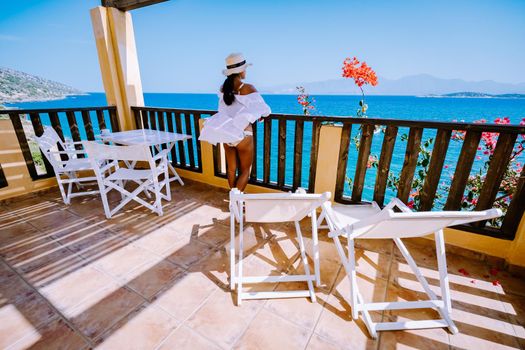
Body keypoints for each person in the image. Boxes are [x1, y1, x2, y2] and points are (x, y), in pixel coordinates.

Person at [199, 53, 271, 191]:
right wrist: (260, 115)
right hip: (243, 133)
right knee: (245, 171)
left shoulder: (223, 88)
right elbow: (264, 109)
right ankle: (236, 202)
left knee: (231, 170)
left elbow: (225, 108)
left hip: (226, 132)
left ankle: (233, 202)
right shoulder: (247, 88)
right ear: (241, 70)